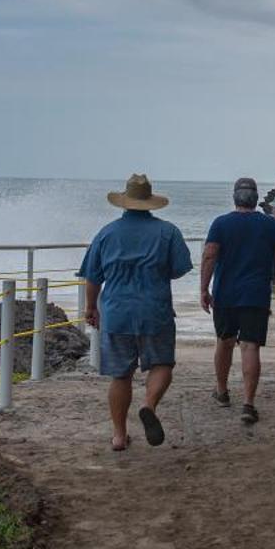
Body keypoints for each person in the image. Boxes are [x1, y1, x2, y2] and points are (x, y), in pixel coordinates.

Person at [79, 174, 192, 452]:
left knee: (121, 375)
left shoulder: (106, 233)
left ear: (124, 202)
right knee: (162, 364)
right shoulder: (168, 232)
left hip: (117, 312)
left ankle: (119, 435)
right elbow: (179, 269)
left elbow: (92, 277)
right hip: (155, 310)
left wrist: (91, 307)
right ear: (150, 203)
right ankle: (148, 405)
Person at [201, 176, 275, 425]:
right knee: (250, 347)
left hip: (225, 294)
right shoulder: (269, 225)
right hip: (255, 294)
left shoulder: (220, 224)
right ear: (255, 198)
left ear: (234, 197)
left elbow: (209, 256)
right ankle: (248, 404)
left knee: (224, 342)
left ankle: (221, 392)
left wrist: (203, 289)